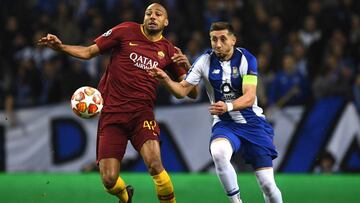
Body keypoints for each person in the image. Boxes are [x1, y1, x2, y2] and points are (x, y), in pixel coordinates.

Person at [38, 3, 197, 203]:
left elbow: (191, 93)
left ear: (166, 21)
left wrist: (188, 67)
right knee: (109, 179)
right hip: (112, 115)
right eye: (149, 13)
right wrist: (61, 47)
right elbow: (88, 52)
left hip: (142, 115)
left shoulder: (169, 50)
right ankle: (124, 196)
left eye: (158, 14)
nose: (152, 17)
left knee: (155, 164)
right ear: (144, 17)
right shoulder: (125, 31)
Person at [149, 22, 283, 203]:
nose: (218, 44)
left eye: (223, 39)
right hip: (225, 125)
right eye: (213, 39)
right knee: (218, 152)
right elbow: (182, 91)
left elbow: (250, 97)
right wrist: (165, 79)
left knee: (267, 184)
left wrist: (227, 106)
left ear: (233, 40)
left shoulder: (246, 59)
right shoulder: (205, 60)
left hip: (253, 124)